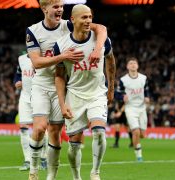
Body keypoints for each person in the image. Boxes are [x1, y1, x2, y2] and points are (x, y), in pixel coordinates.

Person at [26, 0, 108, 179]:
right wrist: (63, 56)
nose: (60, 10)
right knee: (39, 128)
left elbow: (101, 29)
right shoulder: (33, 31)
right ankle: (33, 169)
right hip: (41, 84)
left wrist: (98, 48)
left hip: (62, 85)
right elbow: (36, 63)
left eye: (61, 7)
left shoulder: (70, 23)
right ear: (44, 9)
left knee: (55, 133)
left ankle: (51, 175)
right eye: (56, 7)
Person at [54, 4, 116, 180]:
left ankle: (95, 172)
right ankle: (76, 177)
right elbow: (59, 76)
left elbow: (111, 61)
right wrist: (62, 103)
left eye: (90, 17)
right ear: (73, 19)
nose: (88, 21)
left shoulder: (102, 39)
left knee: (99, 131)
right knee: (74, 146)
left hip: (97, 93)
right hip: (74, 95)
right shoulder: (61, 45)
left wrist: (111, 88)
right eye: (84, 17)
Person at [14, 54, 48, 171]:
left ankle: (44, 158)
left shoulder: (43, 57)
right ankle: (27, 160)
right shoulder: (21, 59)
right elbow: (18, 74)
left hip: (39, 97)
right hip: (25, 98)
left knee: (41, 128)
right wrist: (17, 81)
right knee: (23, 128)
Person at [119, 57, 150, 162]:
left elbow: (147, 90)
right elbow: (118, 92)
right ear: (127, 66)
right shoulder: (123, 80)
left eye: (134, 63)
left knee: (142, 134)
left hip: (142, 108)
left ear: (138, 66)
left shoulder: (143, 78)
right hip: (130, 108)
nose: (133, 65)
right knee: (135, 131)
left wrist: (147, 97)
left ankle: (137, 142)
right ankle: (139, 155)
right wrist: (122, 96)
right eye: (130, 63)